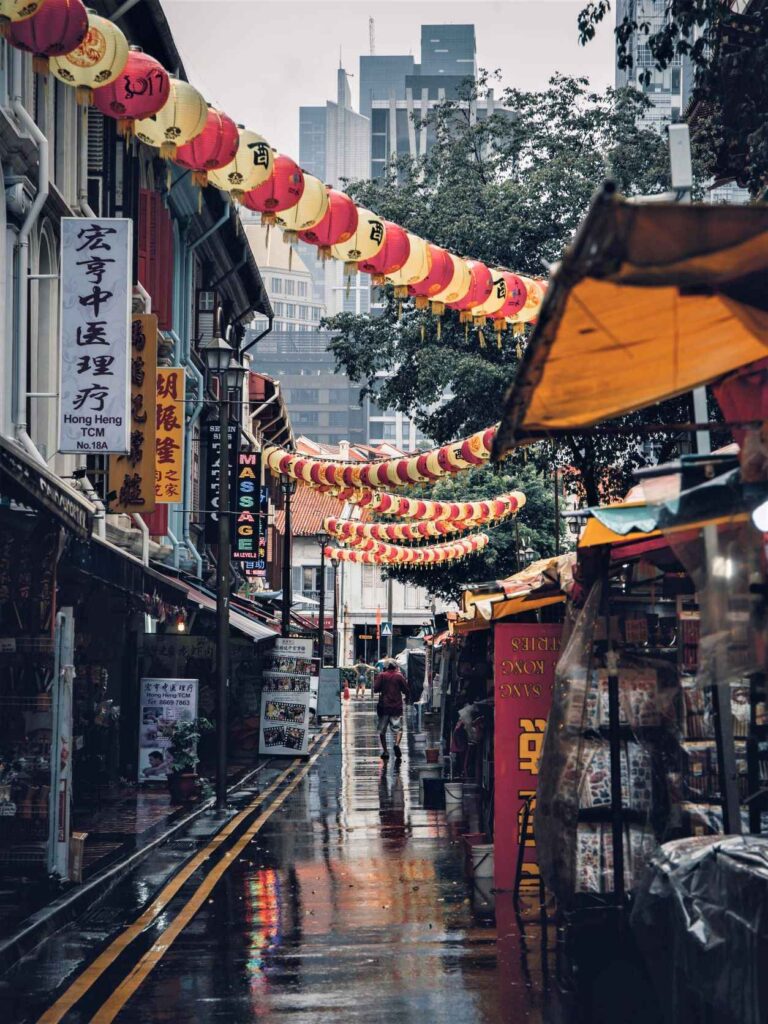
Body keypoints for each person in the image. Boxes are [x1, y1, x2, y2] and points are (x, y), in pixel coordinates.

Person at [373, 658, 409, 762]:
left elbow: (375, 689)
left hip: (384, 707)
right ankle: (396, 744)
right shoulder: (399, 676)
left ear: (386, 667)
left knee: (382, 731)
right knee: (398, 729)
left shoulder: (382, 675)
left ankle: (385, 751)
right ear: (395, 666)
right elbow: (406, 690)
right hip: (396, 707)